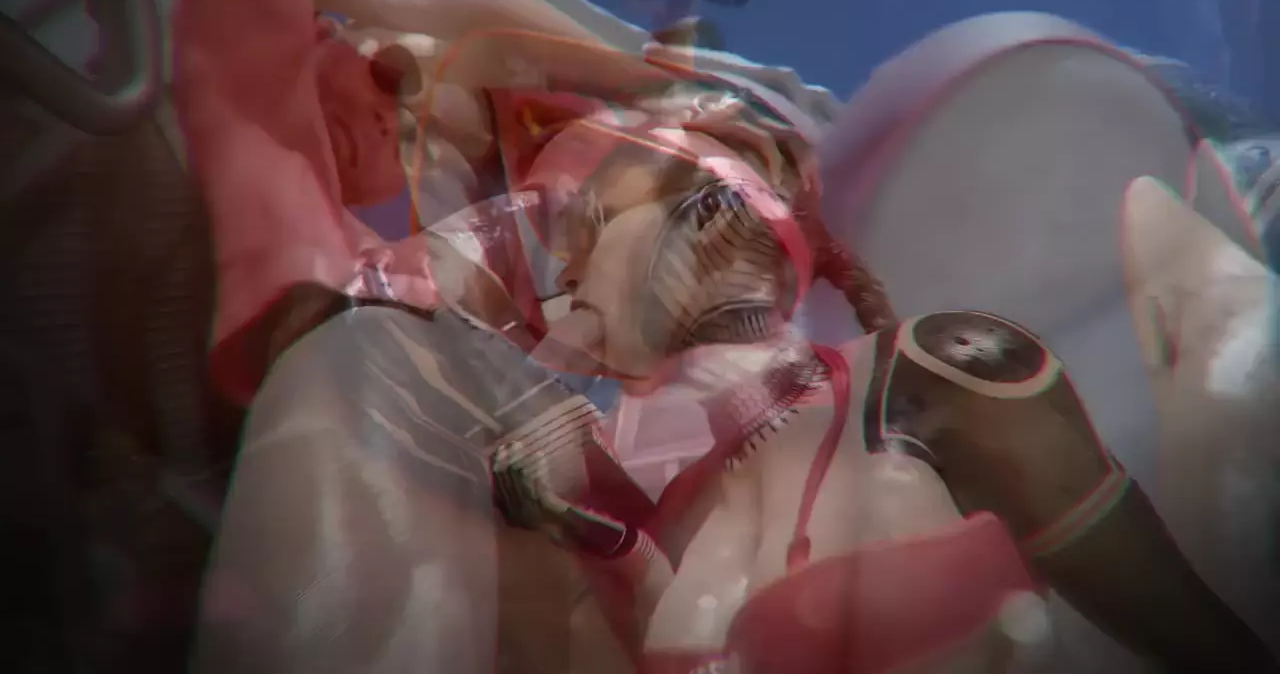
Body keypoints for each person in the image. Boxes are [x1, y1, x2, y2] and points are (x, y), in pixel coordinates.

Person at [487, 79, 1280, 673]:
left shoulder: (936, 374)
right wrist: (587, 533)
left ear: (711, 216)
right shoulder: (673, 511)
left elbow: (1198, 643)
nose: (567, 276)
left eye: (594, 226)